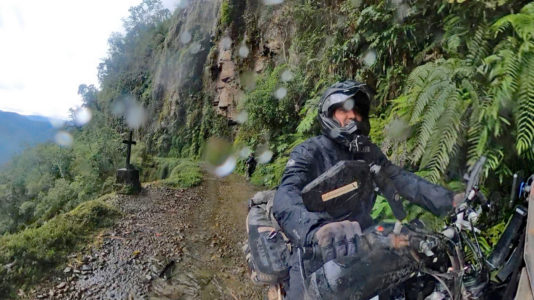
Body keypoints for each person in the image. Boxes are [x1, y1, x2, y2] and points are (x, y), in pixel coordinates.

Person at [272, 80, 460, 299]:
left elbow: (400, 179)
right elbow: (285, 195)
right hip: (317, 249)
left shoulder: (367, 152)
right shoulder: (309, 151)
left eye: (358, 111)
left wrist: (451, 200)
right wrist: (317, 229)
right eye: (345, 109)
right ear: (329, 113)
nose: (353, 116)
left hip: (364, 242)